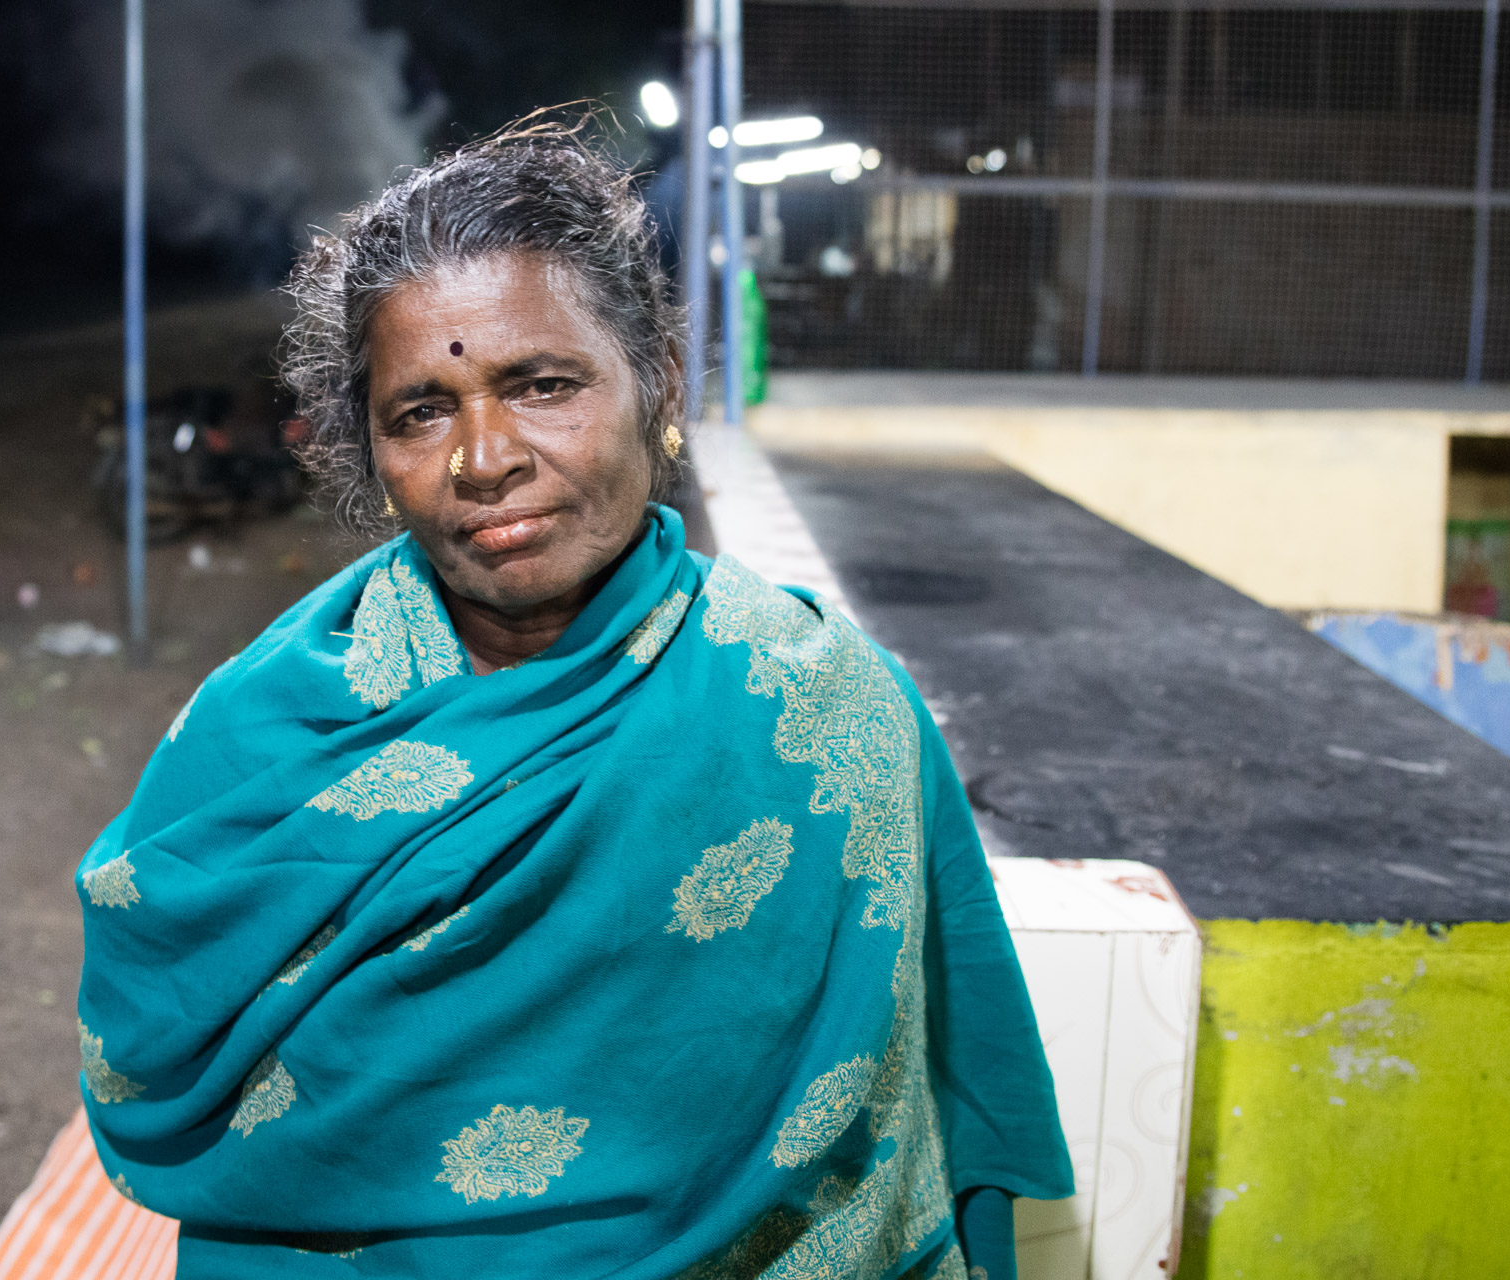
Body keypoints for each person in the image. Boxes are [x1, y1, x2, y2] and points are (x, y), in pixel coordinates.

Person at [71, 119, 1071, 1279]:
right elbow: (148, 1034)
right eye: (421, 411)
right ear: (371, 453)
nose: (484, 457)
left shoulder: (821, 706)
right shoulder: (264, 730)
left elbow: (920, 1094)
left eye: (542, 385)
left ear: (658, 381)